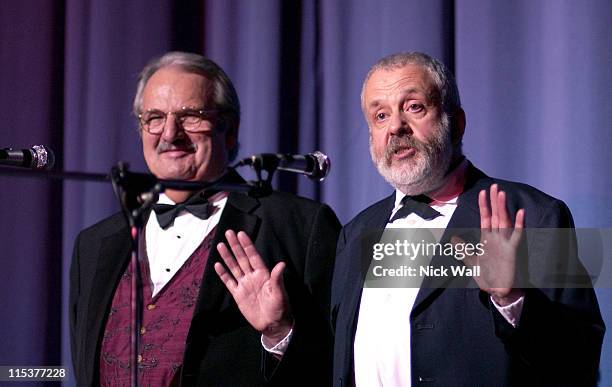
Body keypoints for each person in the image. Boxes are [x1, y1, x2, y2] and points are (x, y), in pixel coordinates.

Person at [330, 52, 605, 386]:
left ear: (456, 123)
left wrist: (511, 299)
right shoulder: (355, 233)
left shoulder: (534, 215)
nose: (396, 127)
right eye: (380, 115)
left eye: (414, 106)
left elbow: (579, 360)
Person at [69, 51, 340, 386]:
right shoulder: (94, 246)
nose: (170, 134)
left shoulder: (299, 226)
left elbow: (338, 365)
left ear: (228, 130)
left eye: (191, 116)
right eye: (154, 117)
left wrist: (279, 334)